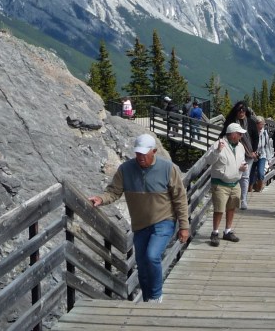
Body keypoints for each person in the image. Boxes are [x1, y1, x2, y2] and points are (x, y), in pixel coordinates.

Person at [88, 134, 189, 303]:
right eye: (138, 153)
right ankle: (147, 299)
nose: (140, 157)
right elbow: (114, 192)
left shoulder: (167, 168)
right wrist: (101, 199)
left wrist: (184, 226)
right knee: (142, 266)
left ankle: (156, 297)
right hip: (140, 224)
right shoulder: (126, 169)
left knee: (152, 256)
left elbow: (180, 198)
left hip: (164, 220)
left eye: (144, 153)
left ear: (154, 151)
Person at [201, 122, 248, 246]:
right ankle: (215, 233)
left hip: (235, 182)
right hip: (220, 183)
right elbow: (209, 160)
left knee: (231, 207)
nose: (241, 136)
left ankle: (228, 231)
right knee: (219, 209)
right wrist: (217, 151)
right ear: (232, 134)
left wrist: (243, 167)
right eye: (239, 134)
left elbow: (242, 160)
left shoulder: (240, 146)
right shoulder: (218, 144)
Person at [220, 101, 259, 210]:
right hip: (233, 152)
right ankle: (232, 198)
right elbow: (223, 134)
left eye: (243, 110)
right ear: (236, 111)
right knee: (234, 175)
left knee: (245, 176)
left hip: (248, 153)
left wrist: (254, 150)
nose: (241, 112)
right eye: (239, 110)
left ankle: (243, 199)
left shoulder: (251, 122)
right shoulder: (231, 122)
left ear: (246, 111)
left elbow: (255, 137)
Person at [253, 115, 273, 192]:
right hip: (253, 155)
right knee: (251, 175)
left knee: (261, 173)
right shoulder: (252, 132)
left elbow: (267, 146)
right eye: (260, 124)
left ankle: (259, 188)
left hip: (262, 155)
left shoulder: (264, 133)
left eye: (262, 124)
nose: (261, 126)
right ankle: (251, 188)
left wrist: (269, 158)